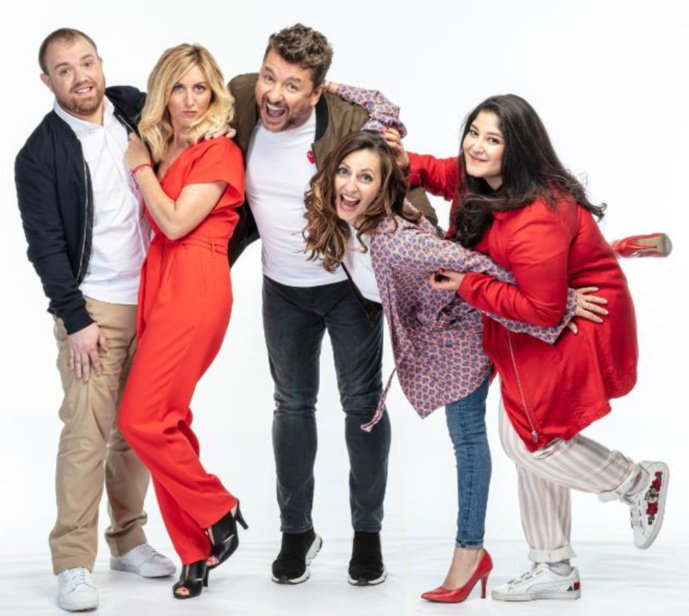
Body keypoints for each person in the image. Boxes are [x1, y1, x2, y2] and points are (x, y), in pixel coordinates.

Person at [302, 130, 611, 603]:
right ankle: (524, 554)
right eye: (344, 172)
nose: (349, 185)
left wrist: (560, 302)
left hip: (461, 335)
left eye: (365, 177)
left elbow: (477, 266)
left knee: (469, 441)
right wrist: (337, 92)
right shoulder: (348, 220)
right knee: (505, 433)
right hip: (443, 333)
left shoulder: (398, 243)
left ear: (383, 187)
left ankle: (471, 554)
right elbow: (375, 110)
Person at [393, 94, 669, 601]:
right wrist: (392, 157)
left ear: (516, 149)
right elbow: (440, 171)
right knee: (533, 434)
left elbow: (542, 309)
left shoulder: (535, 216)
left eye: (492, 139)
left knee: (529, 438)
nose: (476, 146)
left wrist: (468, 284)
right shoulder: (484, 180)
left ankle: (635, 482)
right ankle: (553, 566)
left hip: (579, 318)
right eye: (473, 132)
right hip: (536, 317)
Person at [226, 23, 436, 586]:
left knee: (361, 405)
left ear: (317, 91)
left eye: (292, 86)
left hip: (348, 287)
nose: (274, 95)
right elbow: (187, 107)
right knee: (292, 405)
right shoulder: (242, 96)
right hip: (282, 288)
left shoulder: (346, 120)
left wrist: (427, 247)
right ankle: (296, 533)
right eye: (270, 77)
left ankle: (367, 534)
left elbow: (403, 186)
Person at [14, 28, 176, 612]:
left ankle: (128, 541)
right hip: (94, 310)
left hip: (152, 298)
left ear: (101, 63)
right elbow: (45, 247)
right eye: (65, 69)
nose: (80, 76)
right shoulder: (39, 154)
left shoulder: (132, 107)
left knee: (135, 430)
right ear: (47, 81)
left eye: (86, 62)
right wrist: (75, 319)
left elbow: (195, 109)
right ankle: (73, 563)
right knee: (87, 435)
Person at [116, 43, 247, 600]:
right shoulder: (163, 143)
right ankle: (194, 551)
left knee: (138, 420)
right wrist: (148, 152)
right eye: (178, 87)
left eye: (200, 88)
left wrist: (140, 167)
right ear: (162, 92)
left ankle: (218, 508)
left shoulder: (221, 151)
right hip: (158, 282)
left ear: (214, 93)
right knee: (167, 420)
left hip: (196, 283)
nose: (190, 100)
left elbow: (173, 223)